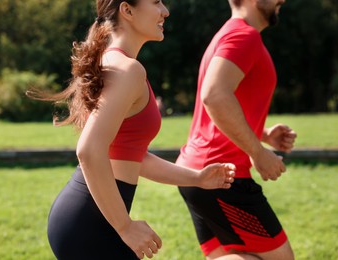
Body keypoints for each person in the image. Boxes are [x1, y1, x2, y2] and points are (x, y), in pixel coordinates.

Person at [27, 0, 236, 259]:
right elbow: (90, 150)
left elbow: (130, 155)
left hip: (87, 217)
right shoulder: (127, 70)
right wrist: (124, 226)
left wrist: (197, 178)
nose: (165, 11)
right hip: (90, 224)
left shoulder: (118, 64)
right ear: (127, 10)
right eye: (156, 2)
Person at [176, 0, 297, 259]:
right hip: (222, 175)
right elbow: (214, 95)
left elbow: (218, 106)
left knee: (228, 255)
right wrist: (257, 151)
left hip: (199, 170)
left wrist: (262, 134)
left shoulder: (229, 33)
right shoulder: (244, 36)